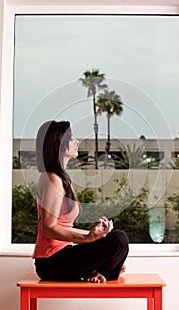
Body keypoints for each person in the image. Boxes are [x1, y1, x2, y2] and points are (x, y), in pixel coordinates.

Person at [33, 120, 129, 283]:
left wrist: (99, 235)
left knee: (114, 238)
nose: (76, 142)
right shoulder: (52, 179)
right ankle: (102, 271)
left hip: (64, 253)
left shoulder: (60, 178)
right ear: (59, 144)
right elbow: (48, 229)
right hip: (51, 262)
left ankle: (98, 272)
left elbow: (66, 228)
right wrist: (89, 238)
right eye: (71, 139)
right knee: (119, 239)